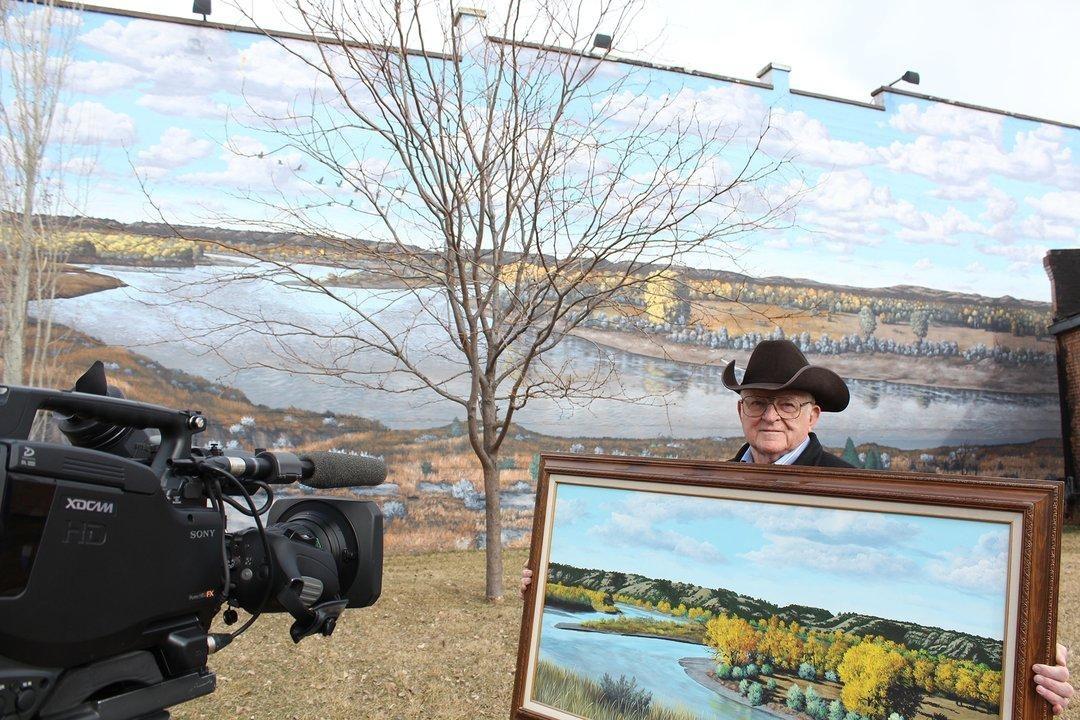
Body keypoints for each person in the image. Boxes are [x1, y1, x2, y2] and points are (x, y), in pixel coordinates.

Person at [519, 338, 1074, 712]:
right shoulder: (706, 484)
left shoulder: (858, 491)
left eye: (789, 405)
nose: (771, 416)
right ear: (740, 410)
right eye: (759, 402)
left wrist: (1028, 658)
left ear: (815, 415)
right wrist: (542, 584)